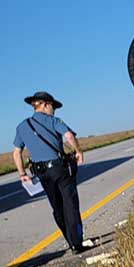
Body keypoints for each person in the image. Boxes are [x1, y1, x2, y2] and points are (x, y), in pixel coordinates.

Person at [11, 91, 90, 253]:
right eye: (53, 106)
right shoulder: (53, 121)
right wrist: (78, 151)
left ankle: (69, 240)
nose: (54, 110)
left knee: (57, 207)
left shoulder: (22, 126)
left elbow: (16, 152)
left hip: (41, 173)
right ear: (46, 104)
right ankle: (76, 243)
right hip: (59, 168)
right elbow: (68, 135)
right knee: (70, 204)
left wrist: (22, 174)